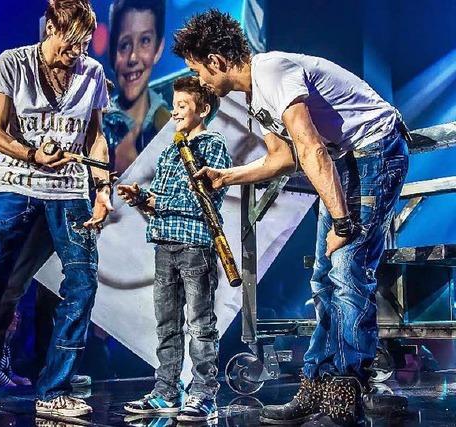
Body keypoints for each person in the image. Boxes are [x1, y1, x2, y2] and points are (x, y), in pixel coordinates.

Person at [172, 10, 409, 426]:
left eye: (198, 70)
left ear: (216, 60)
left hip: (377, 149)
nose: (201, 81)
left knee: (347, 268)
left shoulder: (272, 71)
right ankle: (319, 383)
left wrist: (342, 223)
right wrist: (225, 175)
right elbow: (282, 159)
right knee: (323, 276)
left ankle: (351, 385)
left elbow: (312, 148)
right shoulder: (254, 97)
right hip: (346, 161)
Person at [0, 0, 112, 421]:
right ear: (50, 27)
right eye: (69, 46)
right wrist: (32, 154)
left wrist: (102, 189)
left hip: (70, 192)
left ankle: (55, 389)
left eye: (83, 46)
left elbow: (97, 138)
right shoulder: (12, 62)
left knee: (82, 285)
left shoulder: (93, 72)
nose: (76, 55)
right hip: (16, 186)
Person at [117, 76, 231, 422]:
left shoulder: (211, 145)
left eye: (183, 106)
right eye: (175, 105)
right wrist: (140, 198)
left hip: (195, 246)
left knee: (199, 324)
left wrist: (157, 200)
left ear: (203, 110)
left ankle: (203, 392)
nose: (176, 112)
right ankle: (166, 390)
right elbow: (161, 203)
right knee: (166, 323)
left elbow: (200, 200)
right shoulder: (169, 149)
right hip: (164, 244)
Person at [103, 0, 170, 175]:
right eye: (124, 44)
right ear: (112, 52)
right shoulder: (98, 125)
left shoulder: (171, 125)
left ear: (159, 48)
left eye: (145, 41)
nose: (133, 57)